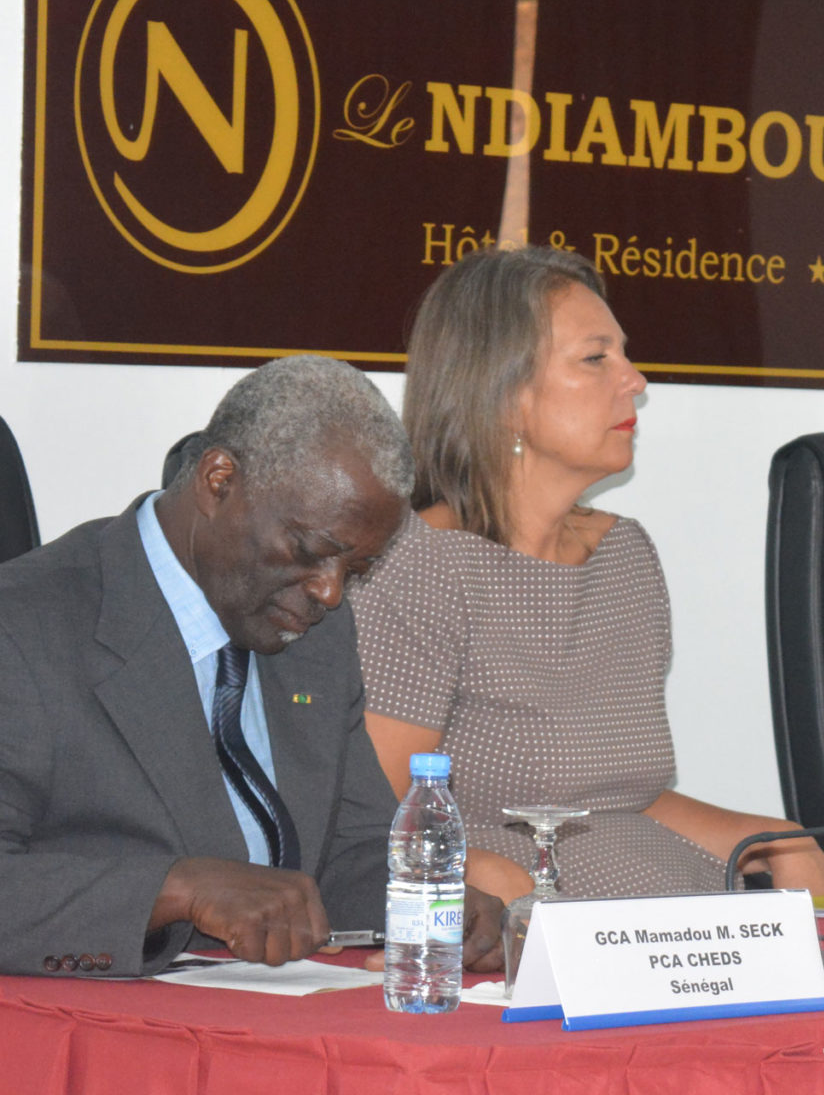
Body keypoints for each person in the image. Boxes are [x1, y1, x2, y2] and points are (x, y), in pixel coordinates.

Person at [350, 246, 824, 901]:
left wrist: (778, 837)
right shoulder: (424, 565)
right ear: (504, 396)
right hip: (518, 948)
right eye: (596, 358)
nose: (635, 380)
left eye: (625, 355)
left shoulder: (625, 556)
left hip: (676, 927)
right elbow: (372, 822)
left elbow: (619, 799)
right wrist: (496, 892)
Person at [0, 356, 501, 974]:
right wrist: (174, 890)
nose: (329, 593)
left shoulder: (315, 631)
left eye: (356, 571)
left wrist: (431, 903)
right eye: (311, 552)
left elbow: (349, 852)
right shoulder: (23, 625)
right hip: (89, 1029)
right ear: (218, 481)